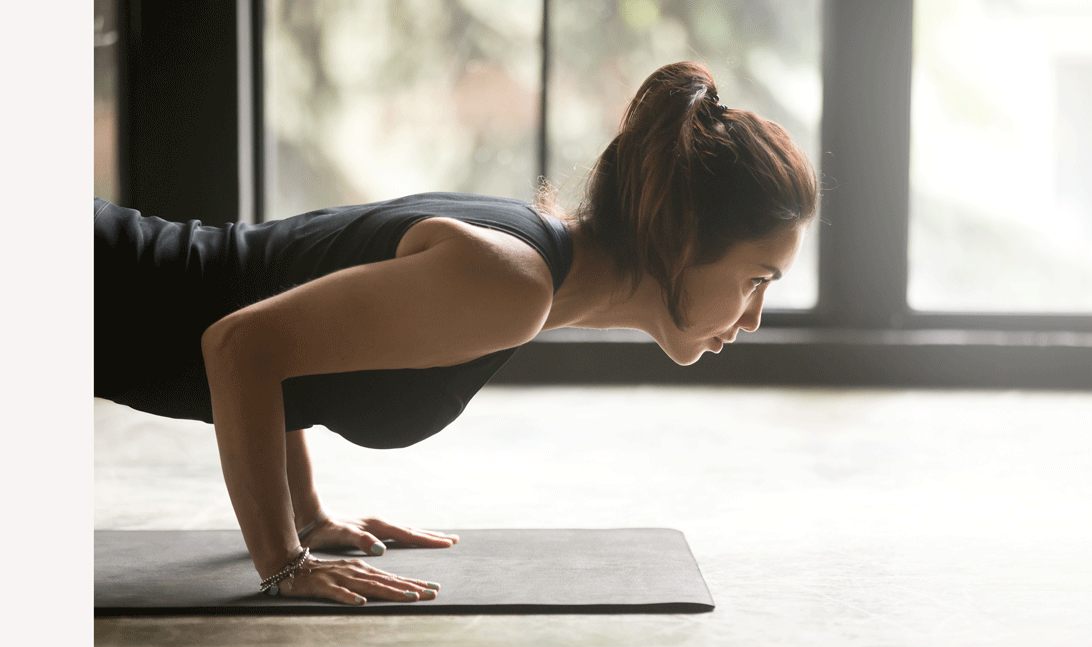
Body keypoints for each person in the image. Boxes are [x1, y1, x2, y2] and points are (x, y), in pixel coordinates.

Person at [94, 61, 819, 606]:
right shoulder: (511, 283)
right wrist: (284, 562)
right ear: (684, 239)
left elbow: (286, 329)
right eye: (757, 278)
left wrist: (308, 517)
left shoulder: (526, 263)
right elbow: (239, 346)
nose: (753, 316)